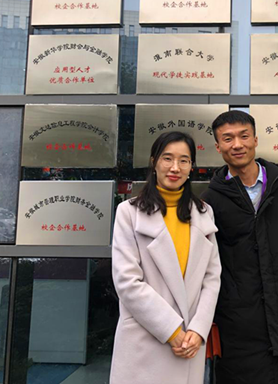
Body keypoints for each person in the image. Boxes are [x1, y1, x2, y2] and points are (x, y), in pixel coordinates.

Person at [202, 110, 278, 384]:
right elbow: (210, 259)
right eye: (228, 139)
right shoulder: (211, 200)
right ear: (218, 147)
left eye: (244, 136)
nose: (237, 145)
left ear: (255, 140)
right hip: (240, 321)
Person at [110, 131, 221, 384]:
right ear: (154, 162)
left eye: (184, 160)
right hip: (145, 340)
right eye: (167, 158)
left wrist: (198, 329)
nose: (175, 167)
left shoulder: (204, 213)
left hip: (190, 343)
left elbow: (212, 278)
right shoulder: (129, 212)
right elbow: (127, 281)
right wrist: (171, 331)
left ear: (191, 166)